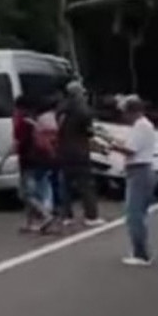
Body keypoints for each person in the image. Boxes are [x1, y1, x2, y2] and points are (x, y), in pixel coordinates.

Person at [108, 96, 157, 266]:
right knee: (138, 213)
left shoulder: (140, 126)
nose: (123, 117)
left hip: (139, 170)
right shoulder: (144, 125)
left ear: (132, 111)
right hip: (141, 170)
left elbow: (131, 150)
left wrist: (109, 145)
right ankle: (140, 250)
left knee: (134, 214)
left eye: (125, 112)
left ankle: (141, 253)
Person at [0, 96, 57, 233]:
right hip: (41, 160)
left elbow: (16, 144)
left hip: (28, 162)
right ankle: (29, 223)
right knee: (35, 190)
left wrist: (3, 161)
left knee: (25, 194)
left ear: (19, 108)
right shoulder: (33, 122)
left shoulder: (22, 123)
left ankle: (45, 215)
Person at [57, 81, 104, 227]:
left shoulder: (61, 108)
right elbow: (89, 131)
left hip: (63, 149)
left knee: (65, 185)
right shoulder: (82, 109)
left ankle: (66, 216)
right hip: (80, 150)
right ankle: (91, 216)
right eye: (83, 92)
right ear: (78, 93)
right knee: (86, 185)